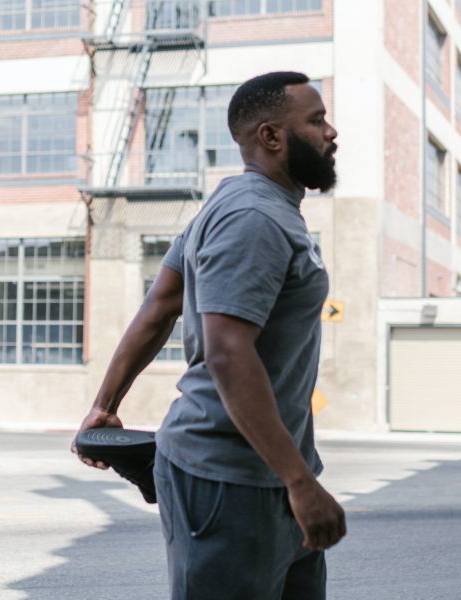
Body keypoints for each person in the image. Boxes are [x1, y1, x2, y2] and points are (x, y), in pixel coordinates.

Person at [74, 71, 345, 599]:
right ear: (271, 137)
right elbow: (226, 350)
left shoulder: (246, 207)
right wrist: (299, 482)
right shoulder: (252, 216)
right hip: (233, 479)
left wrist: (104, 405)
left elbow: (161, 307)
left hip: (271, 476)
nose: (331, 132)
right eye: (316, 121)